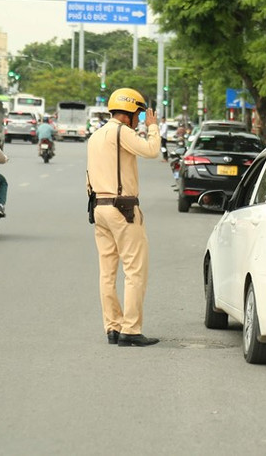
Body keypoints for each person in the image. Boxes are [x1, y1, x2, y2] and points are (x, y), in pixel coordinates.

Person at [86, 88, 161, 347]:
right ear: (128, 114)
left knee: (107, 273)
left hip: (99, 208)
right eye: (139, 114)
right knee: (134, 271)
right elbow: (152, 150)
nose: (141, 119)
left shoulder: (95, 136)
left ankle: (112, 327)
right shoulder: (122, 132)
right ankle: (130, 329)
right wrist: (153, 128)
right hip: (123, 209)